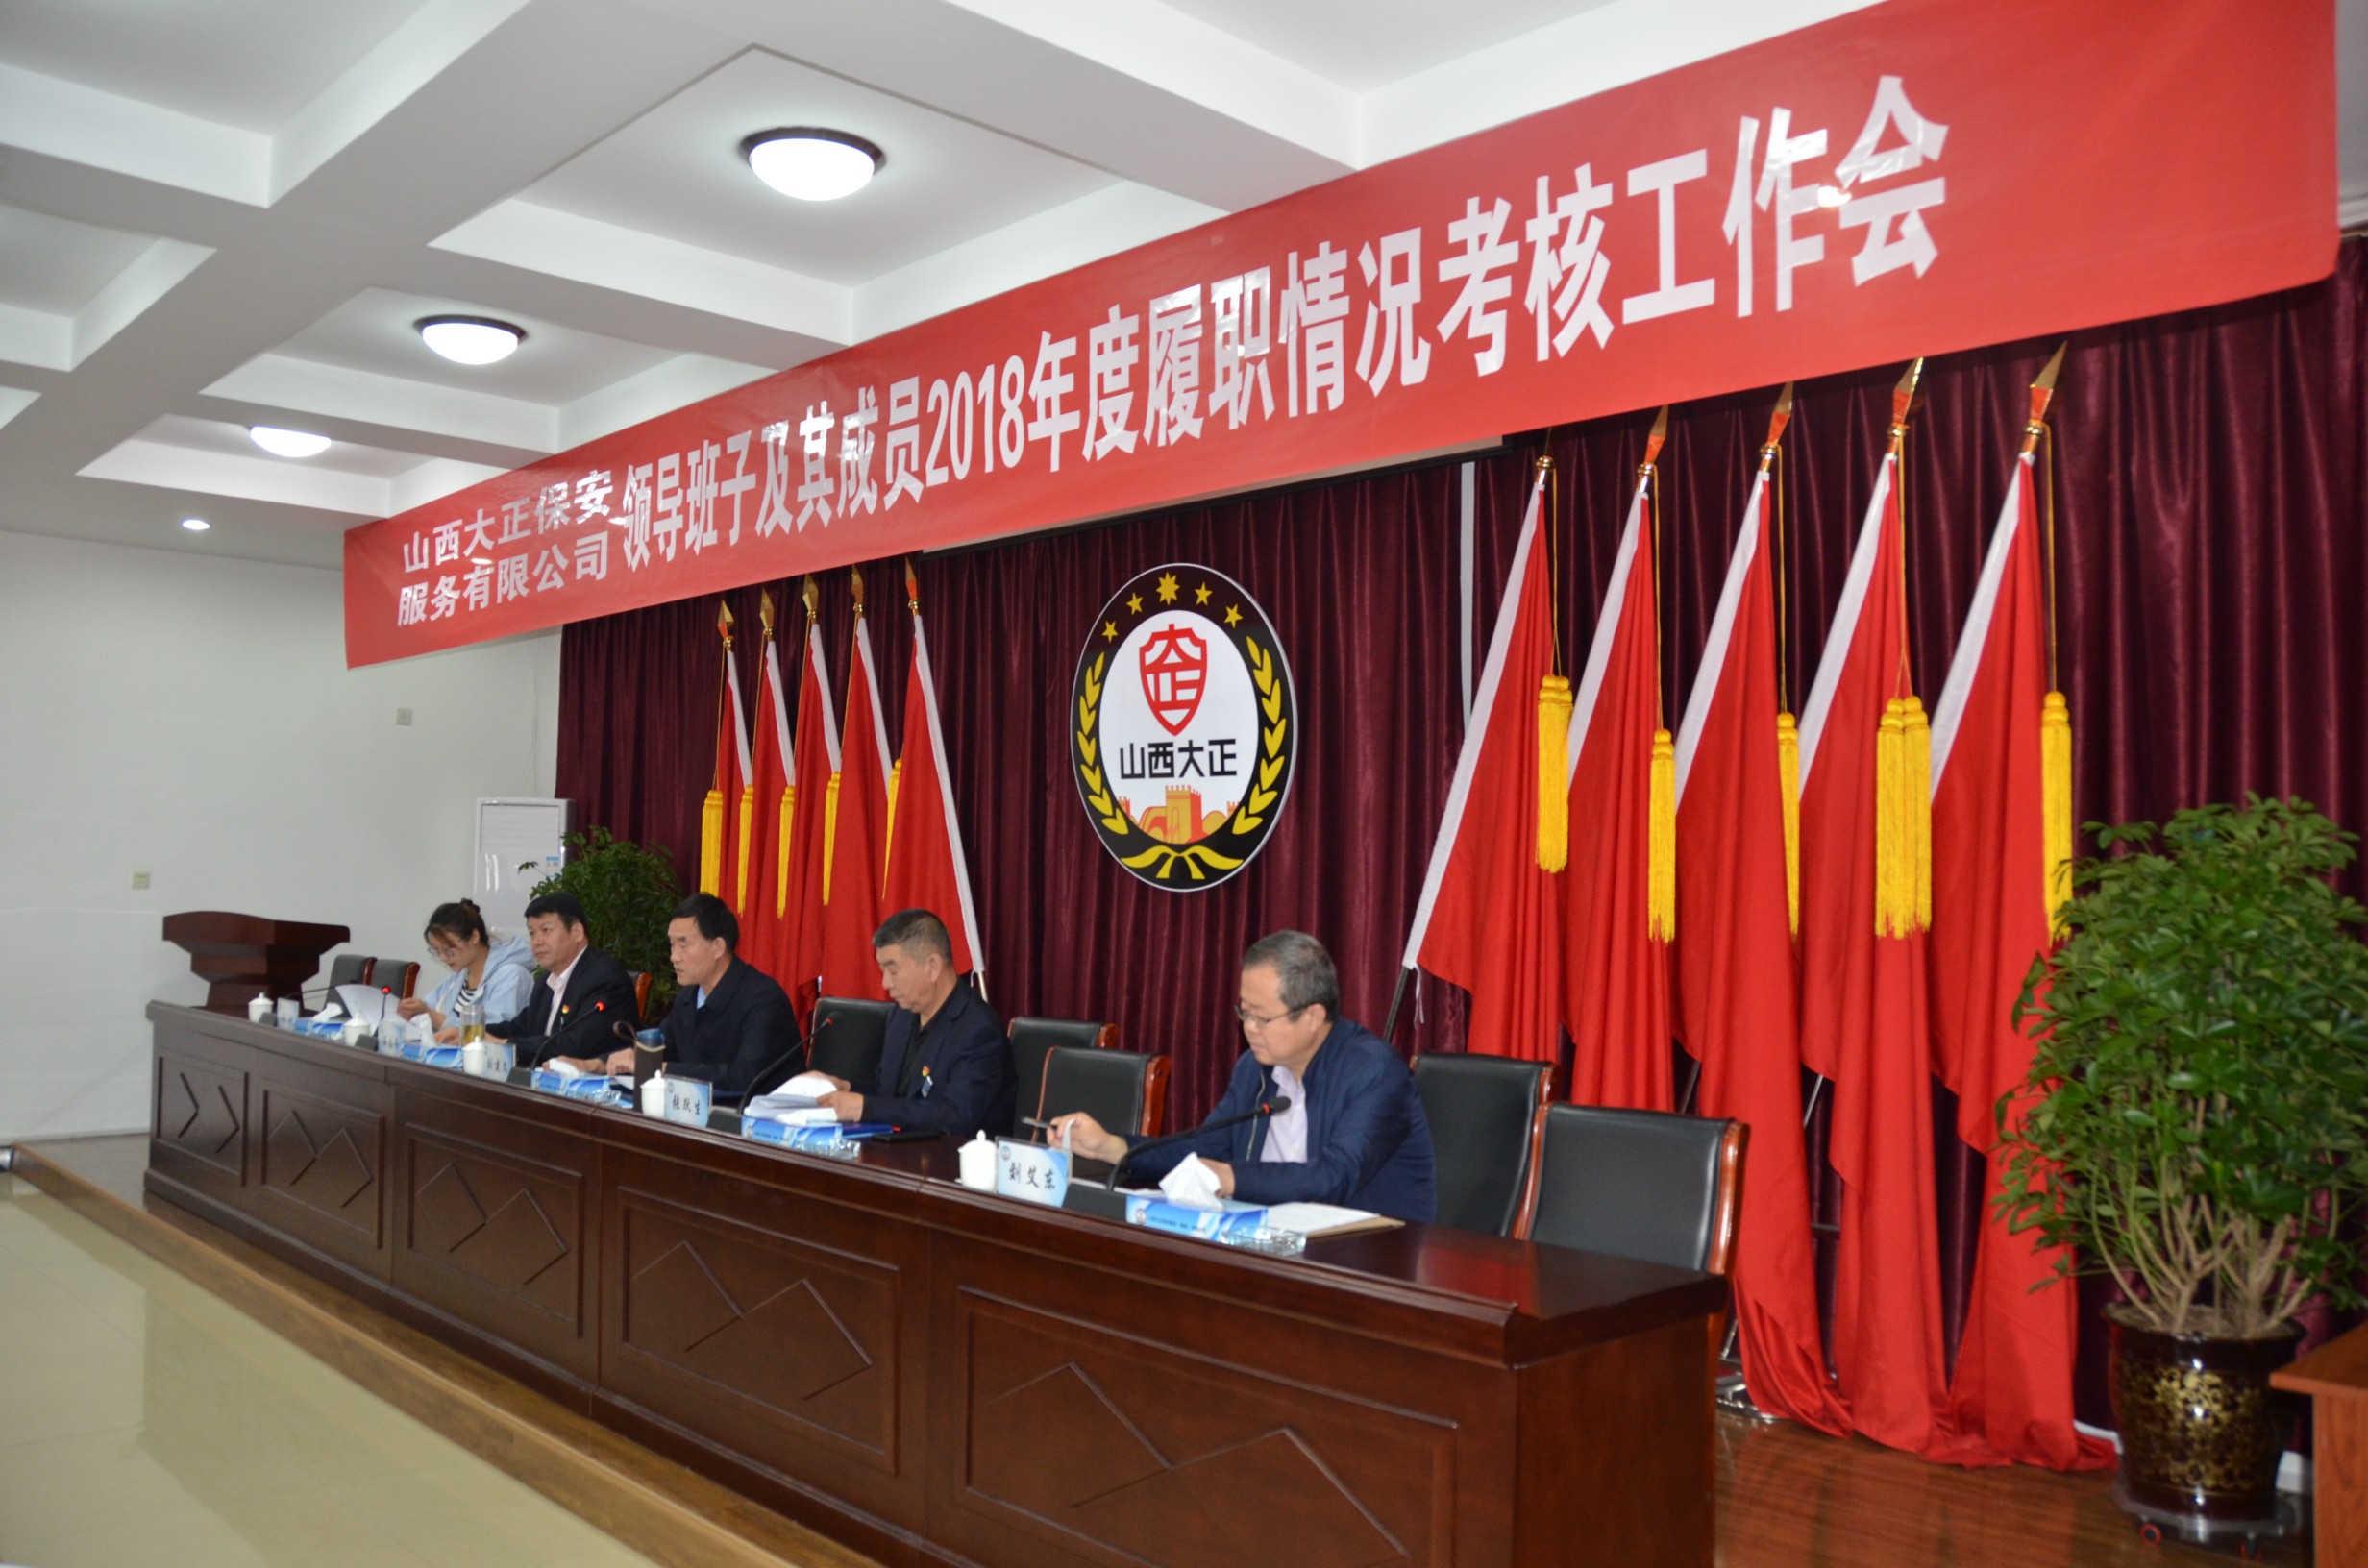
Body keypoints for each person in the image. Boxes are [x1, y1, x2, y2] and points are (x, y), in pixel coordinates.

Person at [1049, 931, 1437, 1222]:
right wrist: (1114, 1147)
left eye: (1262, 1017)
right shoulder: (1255, 1068)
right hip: (1270, 1244)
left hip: (1370, 1262)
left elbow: (1333, 1176)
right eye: (1244, 1013)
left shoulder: (1374, 1073)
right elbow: (1205, 1147)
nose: (1249, 1028)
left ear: (1313, 1016)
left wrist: (1231, 1178)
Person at [816, 908, 1012, 1138]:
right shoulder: (901, 1015)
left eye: (893, 971)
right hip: (896, 1151)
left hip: (951, 1156)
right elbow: (886, 1094)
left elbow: (955, 1117)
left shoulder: (979, 1030)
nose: (885, 983)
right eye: (882, 971)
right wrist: (846, 1088)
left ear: (933, 967)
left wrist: (867, 1108)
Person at [583, 894, 800, 1098]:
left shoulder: (763, 998)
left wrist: (659, 1068)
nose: (673, 957)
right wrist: (596, 1064)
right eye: (672, 944)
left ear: (717, 947)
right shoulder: (689, 997)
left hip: (763, 1121)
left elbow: (745, 1078)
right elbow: (657, 1049)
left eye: (683, 944)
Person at [480, 891, 640, 1066]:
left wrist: (503, 1044)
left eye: (546, 930)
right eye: (532, 933)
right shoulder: (546, 981)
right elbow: (520, 1028)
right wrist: (475, 1033)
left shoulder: (605, 979)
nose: (537, 941)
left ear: (577, 932)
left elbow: (575, 1046)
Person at [400, 899, 534, 1034]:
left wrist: (431, 1016)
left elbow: (493, 1033)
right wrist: (413, 1011)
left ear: (473, 937)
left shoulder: (511, 976)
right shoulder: (461, 974)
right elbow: (430, 1005)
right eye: (437, 951)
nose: (443, 958)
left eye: (447, 950)